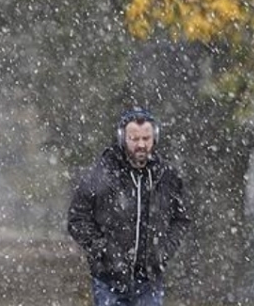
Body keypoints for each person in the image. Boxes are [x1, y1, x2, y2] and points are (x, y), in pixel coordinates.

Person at [68, 107, 190, 306]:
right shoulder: (101, 173)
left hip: (150, 281)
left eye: (146, 138)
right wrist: (103, 249)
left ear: (155, 138)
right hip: (108, 280)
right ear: (122, 138)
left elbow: (181, 219)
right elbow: (77, 219)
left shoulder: (168, 177)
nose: (141, 144)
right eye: (134, 139)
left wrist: (164, 250)